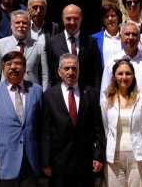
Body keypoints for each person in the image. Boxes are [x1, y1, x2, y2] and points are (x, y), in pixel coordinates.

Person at [41, 54, 105, 187]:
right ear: (59, 71)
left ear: (79, 71)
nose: (70, 72)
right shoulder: (49, 95)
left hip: (86, 164)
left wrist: (98, 156)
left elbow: (98, 127)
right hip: (59, 164)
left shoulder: (92, 93)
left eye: (74, 68)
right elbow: (46, 132)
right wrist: (46, 162)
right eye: (66, 68)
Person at [0, 51, 44, 187]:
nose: (13, 67)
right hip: (4, 162)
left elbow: (42, 127)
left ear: (25, 68)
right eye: (9, 64)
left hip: (31, 161)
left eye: (17, 63)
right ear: (3, 68)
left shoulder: (37, 90)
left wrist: (45, 160)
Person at [100, 59, 142, 187]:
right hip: (113, 158)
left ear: (133, 76)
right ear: (114, 77)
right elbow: (105, 129)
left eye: (128, 73)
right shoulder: (106, 100)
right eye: (120, 73)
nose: (124, 77)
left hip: (138, 157)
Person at [0, 9, 48, 89]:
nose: (21, 26)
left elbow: (45, 75)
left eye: (24, 23)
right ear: (11, 25)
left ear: (30, 26)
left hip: (31, 91)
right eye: (17, 22)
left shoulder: (39, 46)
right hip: (6, 91)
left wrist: (43, 94)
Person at [46, 4, 98, 89]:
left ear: (81, 19)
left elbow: (97, 72)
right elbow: (49, 71)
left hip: (85, 91)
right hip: (60, 92)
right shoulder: (53, 42)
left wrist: (96, 92)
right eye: (68, 18)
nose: (72, 22)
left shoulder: (91, 41)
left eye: (76, 18)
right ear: (63, 19)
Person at [100, 22, 142, 95]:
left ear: (139, 37)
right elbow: (105, 92)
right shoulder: (112, 62)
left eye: (134, 34)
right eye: (127, 34)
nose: (131, 37)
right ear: (120, 37)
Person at [91, 1, 122, 70]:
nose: (110, 19)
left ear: (118, 17)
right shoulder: (94, 39)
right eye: (106, 16)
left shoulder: (126, 36)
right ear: (102, 19)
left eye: (113, 15)